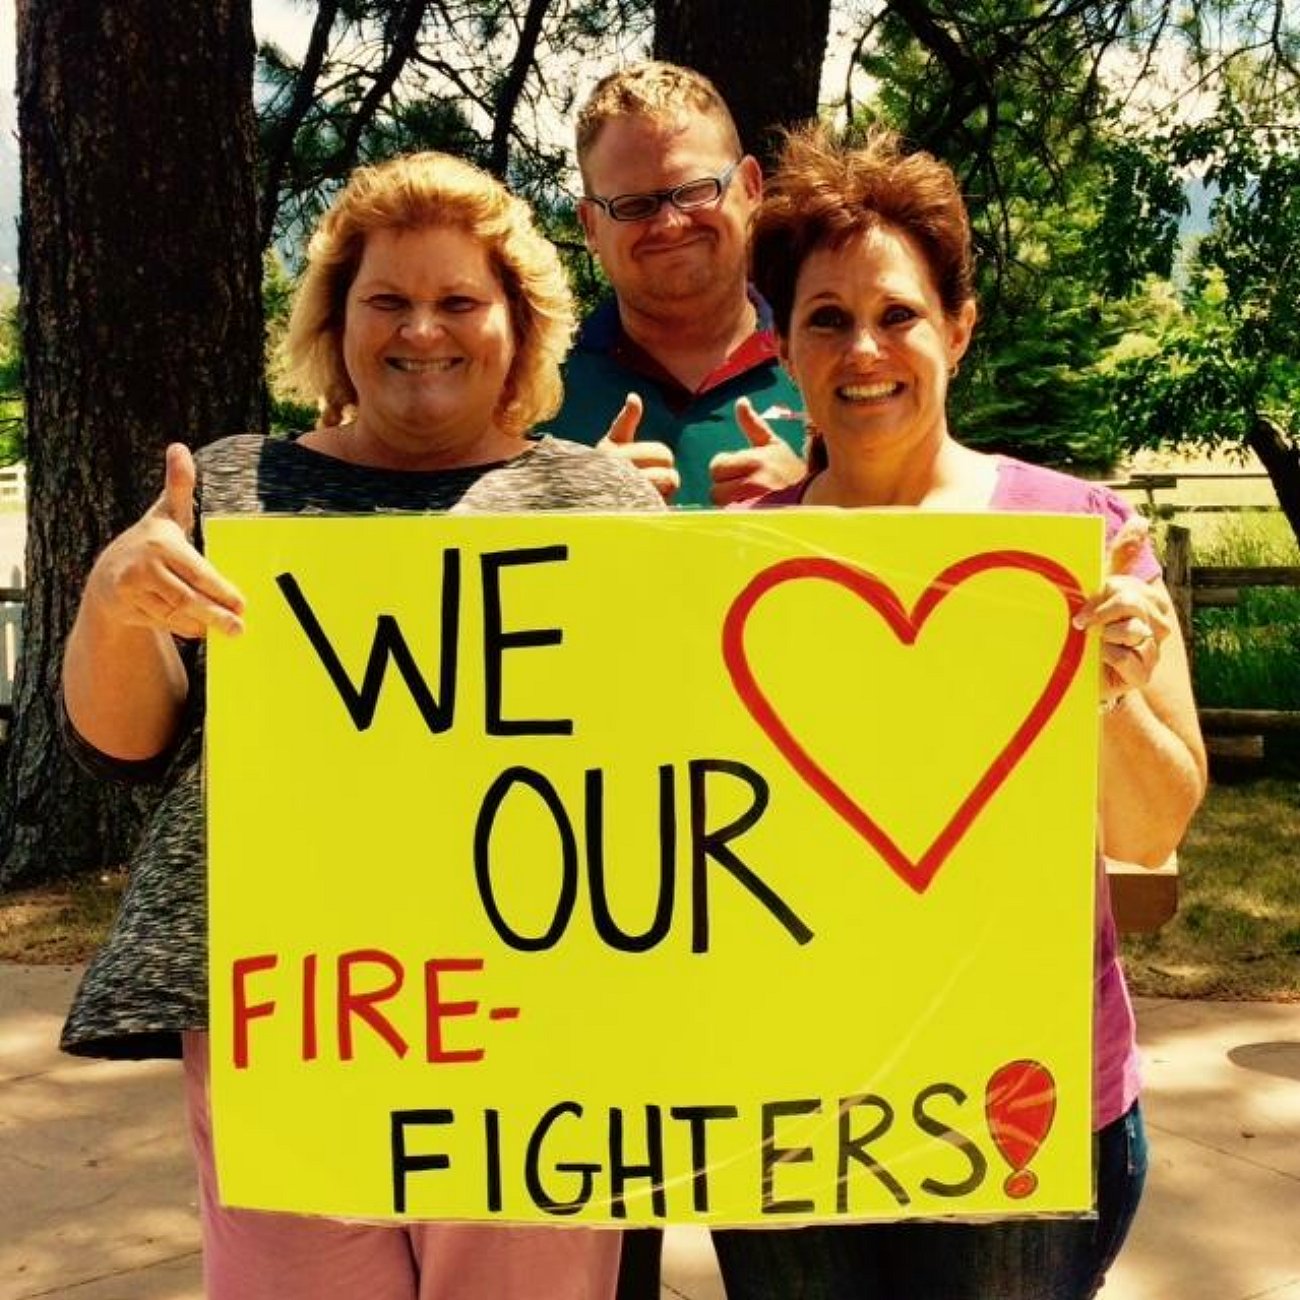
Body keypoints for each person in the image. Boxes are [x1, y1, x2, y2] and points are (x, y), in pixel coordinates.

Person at [58, 150, 662, 1300]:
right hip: (288, 1009)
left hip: (540, 1014)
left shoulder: (600, 502)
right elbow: (123, 744)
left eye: (458, 301)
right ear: (335, 323)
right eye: (387, 299)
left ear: (518, 323)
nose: (421, 329)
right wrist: (114, 598)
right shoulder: (233, 490)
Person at [703, 122, 1208, 1300]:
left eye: (899, 314)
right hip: (789, 1097)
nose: (864, 348)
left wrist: (1108, 697)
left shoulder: (1082, 537)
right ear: (782, 348)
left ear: (958, 331)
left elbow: (1146, 833)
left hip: (1018, 1100)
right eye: (825, 318)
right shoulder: (729, 566)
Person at [553, 60, 807, 508]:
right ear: (590, 225)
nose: (669, 224)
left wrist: (816, 498)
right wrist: (573, 513)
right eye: (633, 205)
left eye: (695, 190)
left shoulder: (837, 362)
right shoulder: (529, 392)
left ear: (750, 187)